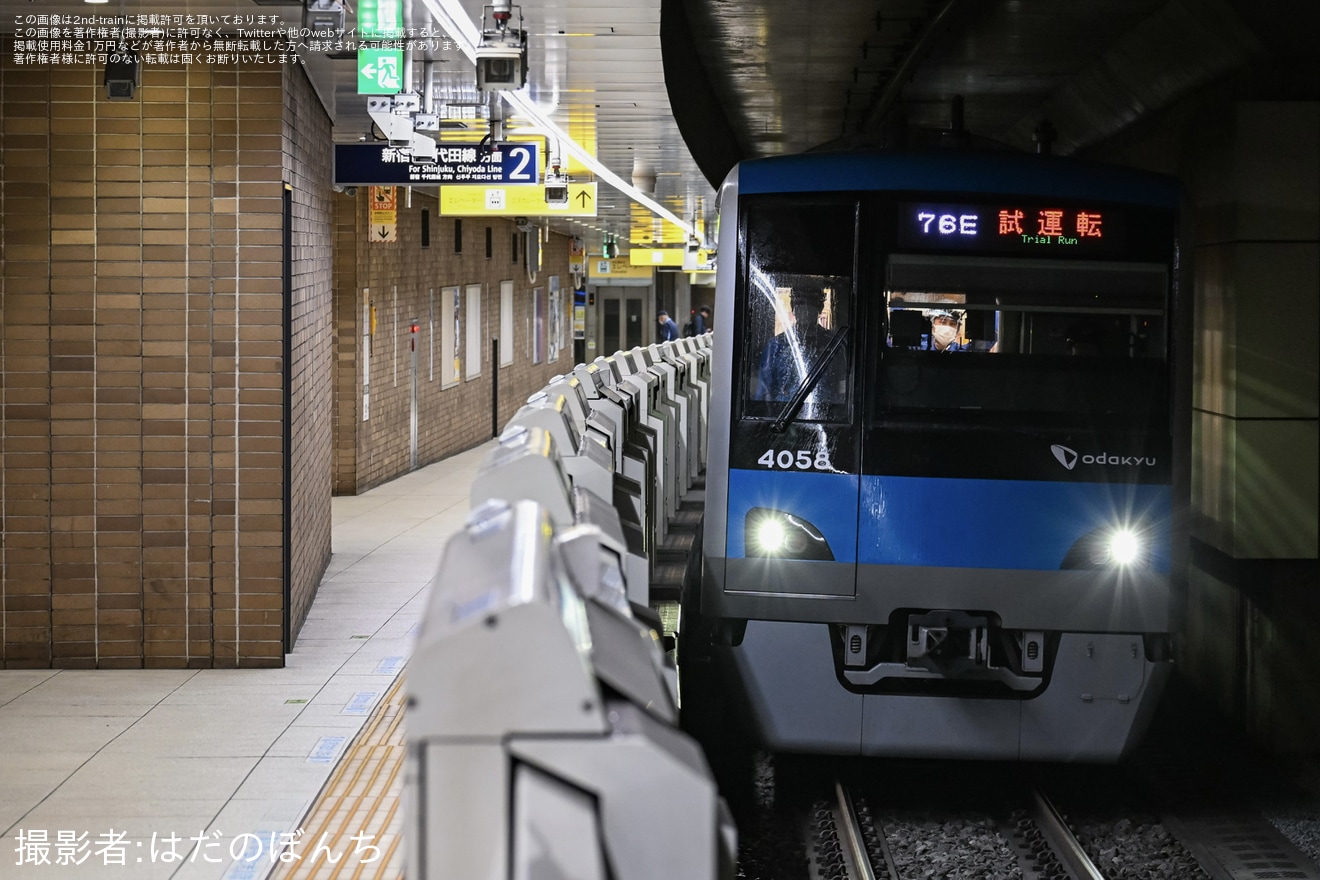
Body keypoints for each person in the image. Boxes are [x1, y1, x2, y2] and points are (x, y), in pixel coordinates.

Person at [753, 288, 845, 402]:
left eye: (811, 304)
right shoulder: (775, 346)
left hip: (824, 410)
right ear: (793, 308)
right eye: (801, 303)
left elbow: (842, 391)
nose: (806, 310)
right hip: (786, 411)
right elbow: (764, 393)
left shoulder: (834, 345)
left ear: (820, 308)